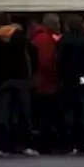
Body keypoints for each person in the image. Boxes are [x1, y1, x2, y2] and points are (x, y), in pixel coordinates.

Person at [0, 13, 40, 157]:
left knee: (0, 113)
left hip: (0, 80)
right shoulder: (20, 36)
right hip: (20, 78)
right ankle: (21, 145)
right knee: (21, 113)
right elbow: (33, 54)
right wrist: (31, 73)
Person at [56, 16, 84, 154]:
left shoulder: (63, 41)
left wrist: (64, 79)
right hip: (83, 82)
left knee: (67, 113)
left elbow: (59, 63)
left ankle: (69, 143)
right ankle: (83, 143)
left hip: (67, 82)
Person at [29, 13, 62, 153]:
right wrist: (56, 76)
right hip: (45, 84)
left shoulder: (38, 38)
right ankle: (45, 145)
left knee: (41, 116)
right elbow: (47, 62)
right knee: (46, 116)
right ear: (50, 24)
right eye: (57, 23)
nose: (59, 26)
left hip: (39, 82)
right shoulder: (45, 40)